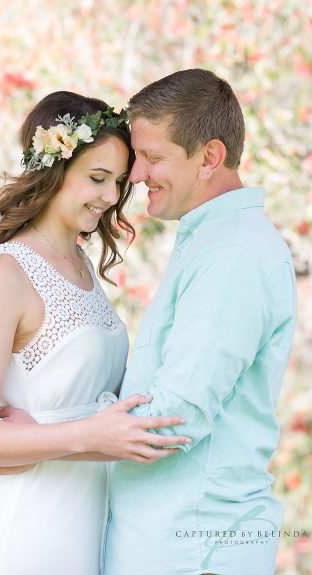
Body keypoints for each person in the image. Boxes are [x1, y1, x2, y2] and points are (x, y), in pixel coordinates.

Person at [0, 91, 191, 575]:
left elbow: (95, 423)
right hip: (25, 528)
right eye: (97, 178)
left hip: (84, 522)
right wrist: (85, 435)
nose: (111, 196)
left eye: (118, 182)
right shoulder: (7, 274)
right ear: (53, 169)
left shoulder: (80, 263)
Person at [103, 68, 297, 575]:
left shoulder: (232, 254)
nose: (136, 175)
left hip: (193, 552)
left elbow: (174, 418)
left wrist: (53, 433)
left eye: (153, 157)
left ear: (209, 157)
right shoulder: (213, 242)